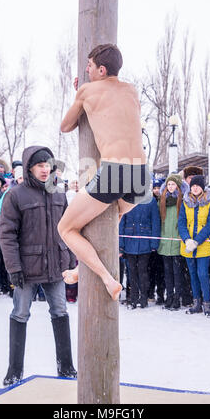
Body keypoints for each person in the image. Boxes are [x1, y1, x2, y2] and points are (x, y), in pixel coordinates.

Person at [58, 44, 151, 301]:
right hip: (142, 174)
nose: (85, 69)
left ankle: (107, 278)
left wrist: (78, 96)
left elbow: (65, 126)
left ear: (101, 69)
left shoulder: (87, 90)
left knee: (66, 228)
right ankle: (80, 269)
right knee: (114, 215)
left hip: (116, 170)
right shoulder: (131, 90)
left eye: (89, 65)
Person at [0, 146, 77, 386]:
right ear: (29, 167)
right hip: (26, 268)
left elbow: (68, 229)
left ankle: (66, 366)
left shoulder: (59, 194)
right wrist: (14, 268)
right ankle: (14, 371)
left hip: (56, 265)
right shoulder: (16, 195)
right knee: (20, 313)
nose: (45, 170)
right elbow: (7, 234)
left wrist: (72, 260)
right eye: (39, 165)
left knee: (60, 312)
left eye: (47, 165)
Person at [178, 175, 210, 317]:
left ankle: (207, 303)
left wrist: (197, 241)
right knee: (193, 275)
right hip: (187, 245)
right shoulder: (185, 201)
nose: (195, 188)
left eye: (198, 186)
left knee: (202, 274)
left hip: (203, 245)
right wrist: (187, 239)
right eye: (193, 186)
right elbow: (181, 222)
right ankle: (197, 303)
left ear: (202, 187)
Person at [119, 196, 160, 309]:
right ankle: (133, 298)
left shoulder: (150, 200)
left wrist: (154, 243)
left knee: (143, 271)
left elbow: (155, 221)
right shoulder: (127, 198)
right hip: (129, 240)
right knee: (131, 272)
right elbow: (122, 221)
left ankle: (143, 298)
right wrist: (121, 243)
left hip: (144, 241)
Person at [157, 174, 185, 310]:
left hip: (177, 242)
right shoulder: (162, 201)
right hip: (165, 241)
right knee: (167, 273)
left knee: (177, 273)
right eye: (169, 184)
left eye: (173, 184)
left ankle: (177, 298)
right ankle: (169, 296)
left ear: (178, 186)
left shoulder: (182, 201)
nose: (171, 187)